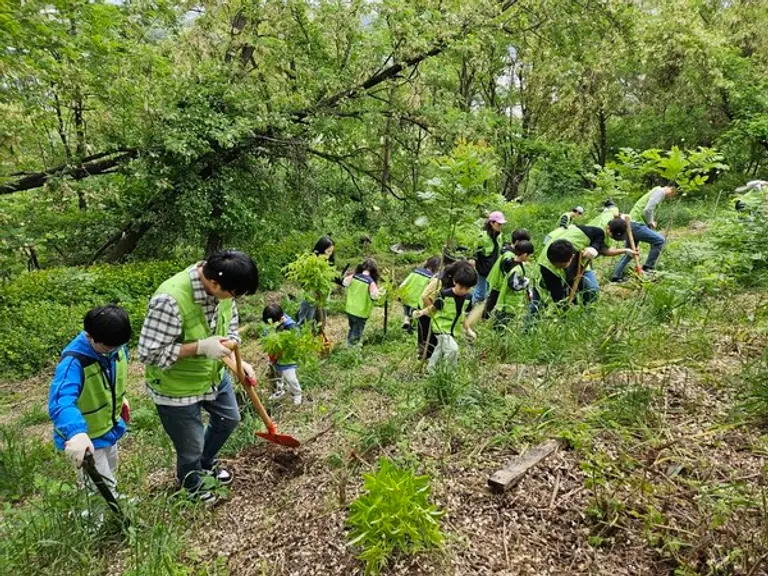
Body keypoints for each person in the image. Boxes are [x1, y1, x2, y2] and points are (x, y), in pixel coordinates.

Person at [138, 250, 259, 505]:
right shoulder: (169, 300)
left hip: (212, 375)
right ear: (213, 283)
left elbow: (231, 327)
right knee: (190, 444)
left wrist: (237, 358)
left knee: (229, 419)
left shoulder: (225, 288)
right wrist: (200, 347)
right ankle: (191, 484)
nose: (234, 299)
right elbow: (148, 353)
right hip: (176, 386)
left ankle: (205, 464)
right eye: (234, 294)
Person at [48, 305, 132, 499]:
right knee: (96, 486)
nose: (113, 351)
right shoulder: (73, 361)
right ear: (89, 336)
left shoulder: (115, 346)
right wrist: (76, 432)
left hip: (109, 426)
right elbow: (61, 401)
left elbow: (110, 377)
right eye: (107, 347)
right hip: (87, 436)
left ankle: (112, 500)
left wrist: (120, 399)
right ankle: (95, 521)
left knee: (111, 468)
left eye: (117, 346)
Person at [535, 218, 634, 307]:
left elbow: (599, 235)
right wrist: (565, 309)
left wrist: (593, 248)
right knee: (565, 295)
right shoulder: (549, 269)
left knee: (592, 289)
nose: (559, 267)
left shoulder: (581, 235)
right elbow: (558, 297)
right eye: (558, 266)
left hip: (580, 264)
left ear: (571, 258)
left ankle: (589, 310)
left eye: (562, 265)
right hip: (560, 276)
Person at [414, 263, 478, 373]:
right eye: (461, 287)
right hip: (441, 328)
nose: (463, 290)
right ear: (454, 281)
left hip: (452, 330)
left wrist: (468, 329)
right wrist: (421, 313)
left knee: (438, 351)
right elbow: (433, 307)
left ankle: (431, 370)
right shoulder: (444, 294)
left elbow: (462, 315)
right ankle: (449, 374)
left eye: (467, 288)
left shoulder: (468, 298)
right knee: (453, 349)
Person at [611, 183, 677, 283]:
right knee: (660, 241)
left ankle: (616, 276)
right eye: (674, 194)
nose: (671, 197)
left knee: (630, 252)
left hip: (630, 223)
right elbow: (648, 210)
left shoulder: (655, 190)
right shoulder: (660, 192)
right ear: (672, 189)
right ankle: (648, 267)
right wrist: (650, 222)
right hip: (636, 224)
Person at [483, 229, 532, 319]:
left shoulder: (510, 252)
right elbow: (508, 272)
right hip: (499, 283)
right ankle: (484, 318)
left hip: (501, 283)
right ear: (517, 242)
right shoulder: (509, 255)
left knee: (493, 301)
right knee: (492, 302)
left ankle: (485, 317)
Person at [262, 304, 303, 406]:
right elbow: (266, 334)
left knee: (291, 378)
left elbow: (296, 340)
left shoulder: (290, 326)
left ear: (280, 319)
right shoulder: (271, 324)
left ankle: (297, 393)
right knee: (277, 376)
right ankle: (280, 390)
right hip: (275, 357)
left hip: (286, 358)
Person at [297, 235, 336, 329]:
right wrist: (314, 291)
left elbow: (332, 276)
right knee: (307, 320)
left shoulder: (329, 261)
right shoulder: (311, 261)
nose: (330, 254)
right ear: (321, 249)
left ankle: (319, 338)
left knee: (321, 320)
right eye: (328, 251)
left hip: (324, 294)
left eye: (331, 251)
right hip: (311, 294)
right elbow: (303, 280)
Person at [494, 240, 535, 328]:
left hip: (510, 302)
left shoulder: (514, 263)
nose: (530, 258)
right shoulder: (516, 269)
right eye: (529, 255)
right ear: (524, 254)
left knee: (504, 324)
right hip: (508, 303)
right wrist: (526, 281)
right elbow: (514, 284)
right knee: (501, 325)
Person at [343, 258, 382, 345]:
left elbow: (344, 282)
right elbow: (375, 296)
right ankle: (352, 352)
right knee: (356, 334)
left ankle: (347, 346)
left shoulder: (353, 276)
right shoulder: (370, 282)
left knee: (351, 328)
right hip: (361, 312)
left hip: (350, 309)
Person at [398, 256, 440, 332]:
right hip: (418, 300)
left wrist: (400, 293)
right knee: (415, 314)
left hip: (408, 295)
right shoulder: (432, 278)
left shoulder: (416, 271)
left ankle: (406, 318)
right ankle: (411, 328)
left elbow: (404, 283)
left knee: (406, 307)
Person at [472, 211, 506, 306]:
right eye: (499, 224)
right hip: (482, 268)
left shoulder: (499, 235)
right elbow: (474, 252)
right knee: (480, 294)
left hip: (493, 268)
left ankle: (479, 312)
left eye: (501, 224)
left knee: (486, 292)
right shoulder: (482, 236)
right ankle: (472, 312)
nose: (500, 226)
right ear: (491, 223)